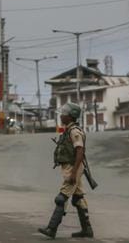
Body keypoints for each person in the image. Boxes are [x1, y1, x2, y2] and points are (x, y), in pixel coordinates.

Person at [38, 102, 94, 239]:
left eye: (64, 114)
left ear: (71, 116)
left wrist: (74, 173)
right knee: (78, 198)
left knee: (61, 198)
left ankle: (51, 228)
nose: (61, 116)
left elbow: (80, 152)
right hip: (71, 167)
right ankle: (87, 230)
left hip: (73, 167)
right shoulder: (69, 130)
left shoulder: (75, 131)